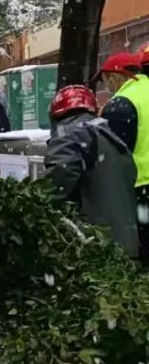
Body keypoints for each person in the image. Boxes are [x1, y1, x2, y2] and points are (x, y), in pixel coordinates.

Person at [44, 84, 138, 258]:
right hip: (124, 243)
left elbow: (57, 181)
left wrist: (34, 207)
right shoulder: (111, 137)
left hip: (93, 244)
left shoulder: (69, 134)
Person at [99, 52, 149, 261]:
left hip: (140, 187)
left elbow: (113, 153)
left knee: (143, 249)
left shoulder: (122, 103)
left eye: (105, 81)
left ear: (114, 76)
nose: (107, 88)